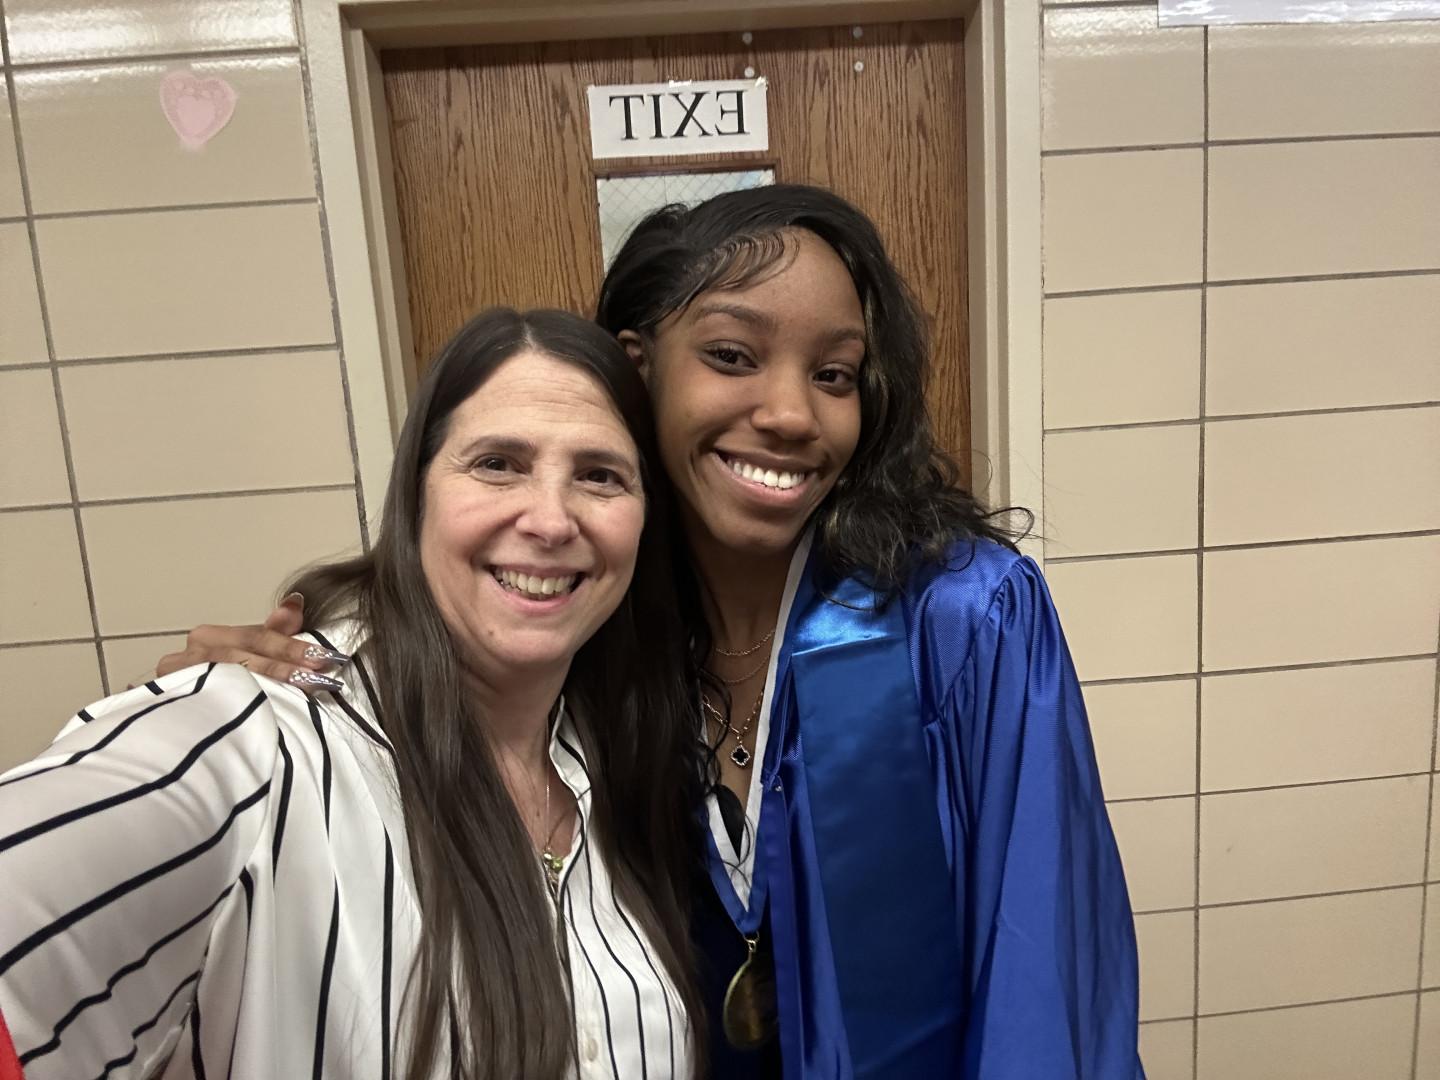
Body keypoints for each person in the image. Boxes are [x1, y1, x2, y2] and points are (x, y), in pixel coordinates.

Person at [152, 185, 1145, 1079]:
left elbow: (1044, 976)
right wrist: (243, 691)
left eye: (835, 374)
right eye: (731, 356)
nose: (791, 412)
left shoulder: (961, 618)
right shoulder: (580, 625)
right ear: (640, 369)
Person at [0, 309, 707, 1080]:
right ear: (416, 497)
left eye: (600, 475)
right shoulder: (253, 748)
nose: (550, 519)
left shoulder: (623, 764)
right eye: (498, 463)